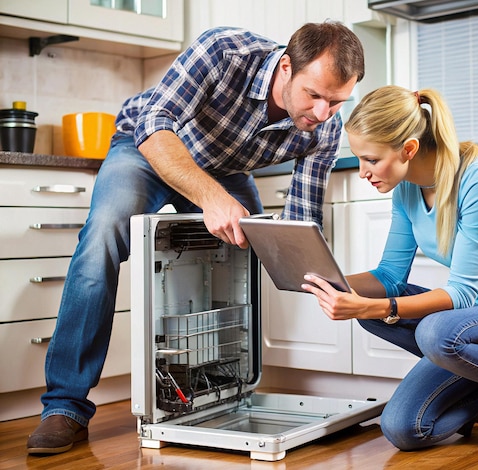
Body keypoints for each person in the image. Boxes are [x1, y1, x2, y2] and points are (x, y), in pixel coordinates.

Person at [26, 21, 365, 455]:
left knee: (236, 253)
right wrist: (210, 198)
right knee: (104, 237)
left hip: (223, 168)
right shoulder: (225, 52)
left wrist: (324, 281)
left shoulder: (326, 129)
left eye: (336, 102)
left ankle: (213, 389)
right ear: (286, 68)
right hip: (147, 148)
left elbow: (298, 228)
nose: (321, 113)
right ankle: (64, 407)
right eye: (314, 95)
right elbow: (153, 121)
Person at [302, 85, 478, 450]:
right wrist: (325, 280)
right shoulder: (406, 189)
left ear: (408, 149)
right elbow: (389, 278)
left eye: (370, 159)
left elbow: (461, 296)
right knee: (402, 427)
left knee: (424, 327)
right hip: (469, 332)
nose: (363, 172)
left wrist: (374, 305)